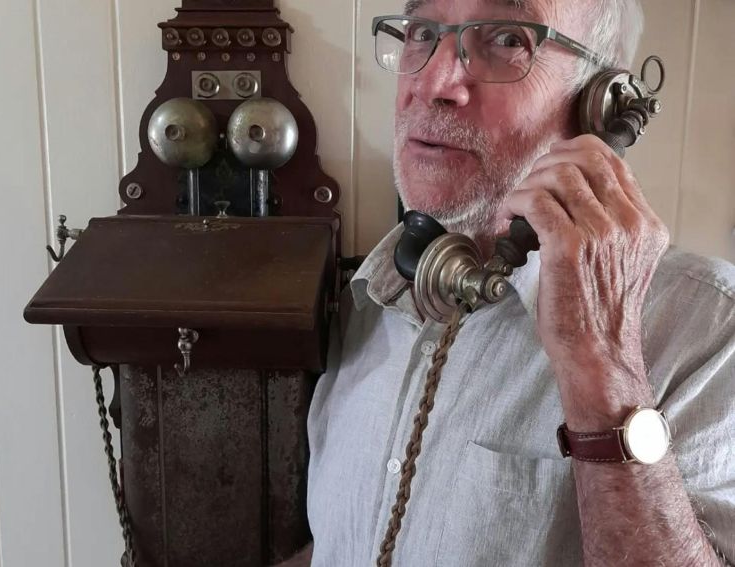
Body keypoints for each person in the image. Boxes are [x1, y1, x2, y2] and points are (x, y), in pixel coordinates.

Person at [282, 0, 735, 565]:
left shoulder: (711, 330)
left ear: (601, 106)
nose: (435, 82)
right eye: (423, 32)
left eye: (507, 40)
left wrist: (603, 367)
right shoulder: (370, 296)